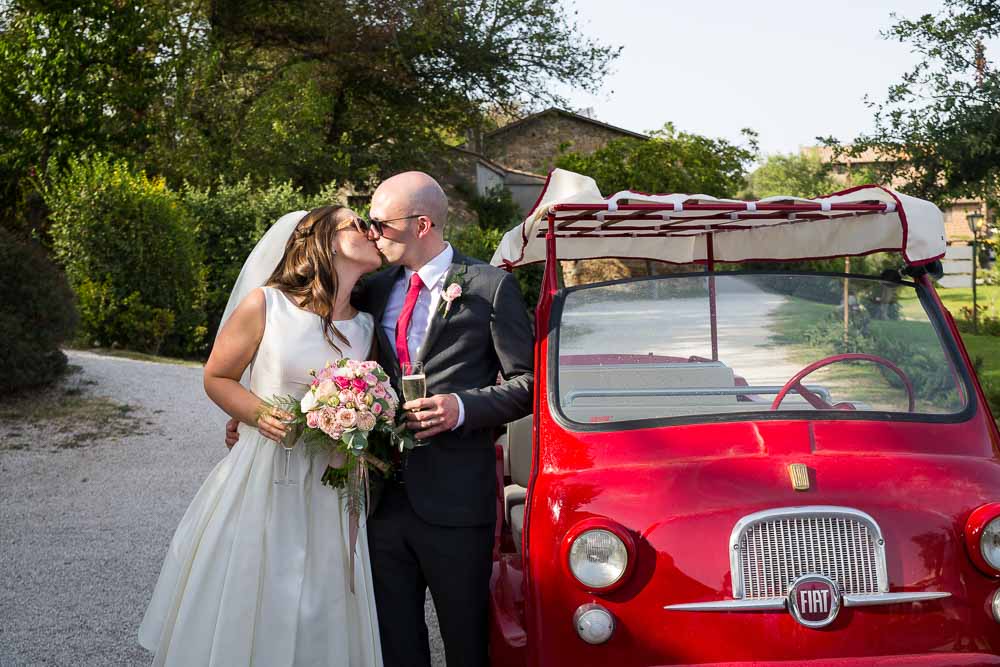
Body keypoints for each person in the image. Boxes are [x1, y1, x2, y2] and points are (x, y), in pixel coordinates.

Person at [226, 172, 535, 666]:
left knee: (467, 640)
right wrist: (255, 409)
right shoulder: (371, 288)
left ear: (422, 224)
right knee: (393, 642)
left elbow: (528, 384)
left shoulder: (490, 288)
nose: (371, 232)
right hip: (379, 498)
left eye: (380, 222)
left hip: (457, 502)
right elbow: (313, 344)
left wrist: (462, 408)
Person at [141, 206, 385, 666]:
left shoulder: (367, 327)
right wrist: (258, 414)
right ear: (325, 240)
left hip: (331, 484)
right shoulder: (266, 305)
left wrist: (361, 423)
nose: (371, 232)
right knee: (257, 587)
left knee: (323, 598)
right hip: (266, 472)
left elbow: (367, 400)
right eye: (357, 224)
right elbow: (217, 376)